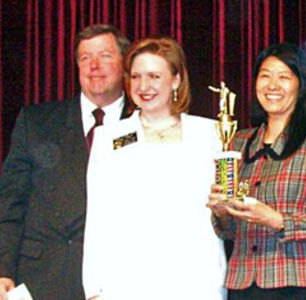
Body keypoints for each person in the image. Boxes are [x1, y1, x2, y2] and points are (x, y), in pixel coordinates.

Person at [0, 24, 130, 300]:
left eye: (105, 56)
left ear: (125, 64)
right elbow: (9, 202)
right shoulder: (37, 122)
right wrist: (0, 270)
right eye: (85, 58)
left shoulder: (146, 127)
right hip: (45, 279)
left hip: (120, 281)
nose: (94, 66)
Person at [82, 36, 227, 300]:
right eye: (136, 77)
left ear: (176, 79)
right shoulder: (110, 138)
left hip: (196, 281)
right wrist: (94, 289)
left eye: (154, 76)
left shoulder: (210, 134)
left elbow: (223, 213)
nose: (143, 86)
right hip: (127, 284)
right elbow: (98, 217)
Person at [207, 43, 306, 300]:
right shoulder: (238, 142)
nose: (272, 85)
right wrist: (221, 211)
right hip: (244, 283)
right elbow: (229, 230)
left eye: (283, 77)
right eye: (265, 75)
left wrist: (275, 219)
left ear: (300, 85)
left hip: (300, 284)